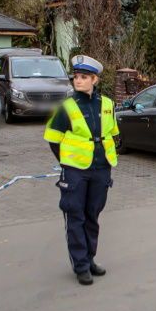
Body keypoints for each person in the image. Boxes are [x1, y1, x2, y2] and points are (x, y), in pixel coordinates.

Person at [43, 55, 119, 285]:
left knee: (92, 216)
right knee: (75, 216)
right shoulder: (66, 107)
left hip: (101, 169)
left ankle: (90, 258)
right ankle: (81, 265)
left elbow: (113, 133)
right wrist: (67, 162)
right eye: (76, 76)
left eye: (84, 77)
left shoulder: (107, 104)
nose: (78, 80)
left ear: (95, 79)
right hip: (75, 172)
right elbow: (53, 139)